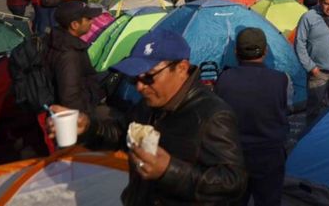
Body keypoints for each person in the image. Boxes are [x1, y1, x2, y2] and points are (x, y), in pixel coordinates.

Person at [47, 28, 247, 205]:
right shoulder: (149, 104)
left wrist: (169, 171)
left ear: (181, 68)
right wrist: (88, 128)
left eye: (149, 76)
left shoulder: (212, 115)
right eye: (134, 78)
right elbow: (122, 134)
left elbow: (233, 181)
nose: (140, 86)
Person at [216, 28, 292, 206]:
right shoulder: (281, 79)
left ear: (236, 52)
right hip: (269, 154)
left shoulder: (224, 79)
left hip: (234, 155)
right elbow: (284, 109)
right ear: (265, 51)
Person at [47, 1, 104, 115]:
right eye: (88, 19)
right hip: (78, 115)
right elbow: (70, 98)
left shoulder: (56, 39)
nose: (92, 22)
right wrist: (86, 119)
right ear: (74, 25)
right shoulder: (69, 55)